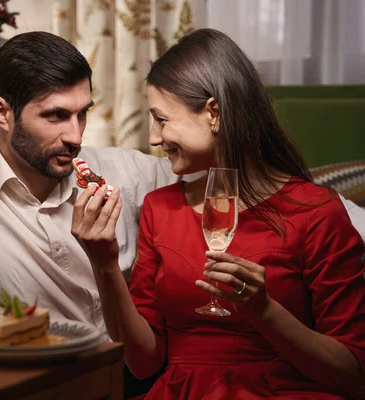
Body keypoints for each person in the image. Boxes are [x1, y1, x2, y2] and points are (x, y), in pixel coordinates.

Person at [72, 28, 365, 399]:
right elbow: (143, 363)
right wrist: (106, 265)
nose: (153, 138)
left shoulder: (316, 211)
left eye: (162, 119)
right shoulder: (160, 209)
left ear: (213, 113)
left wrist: (263, 310)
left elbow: (352, 374)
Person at [0, 31, 184, 336]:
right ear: (2, 113)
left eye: (82, 114)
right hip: (16, 378)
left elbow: (216, 180)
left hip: (127, 379)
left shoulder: (124, 172)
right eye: (56, 115)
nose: (76, 136)